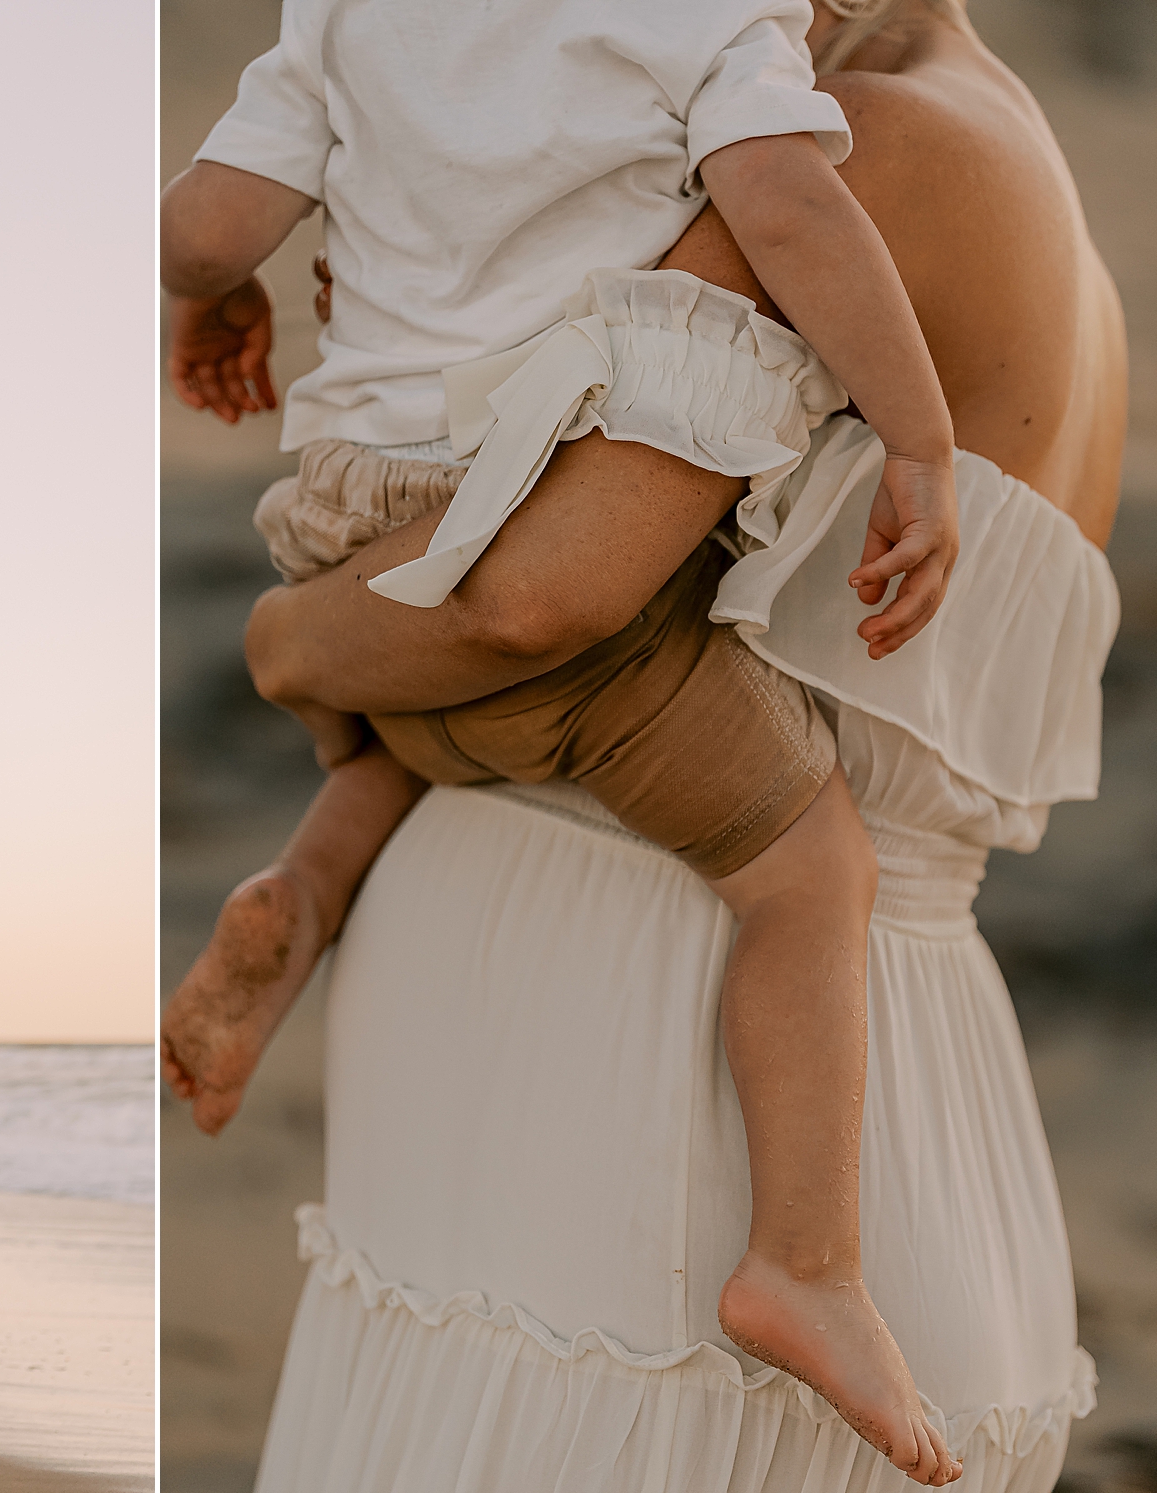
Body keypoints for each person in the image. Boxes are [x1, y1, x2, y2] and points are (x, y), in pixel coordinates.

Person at [187, 0, 1122, 1487]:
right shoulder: (1063, 228)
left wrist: (282, 644)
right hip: (921, 1084)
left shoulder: (850, 153)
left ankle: (317, 874)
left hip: (626, 1112)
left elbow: (534, 599)